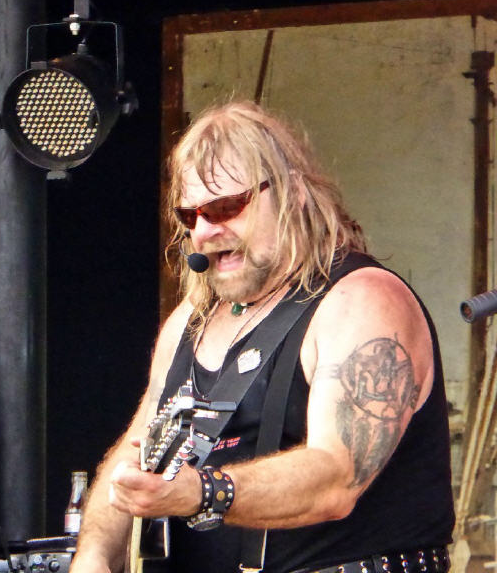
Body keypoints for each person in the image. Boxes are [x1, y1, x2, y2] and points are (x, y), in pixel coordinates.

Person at [70, 100, 454, 573]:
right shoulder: (188, 322)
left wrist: (202, 492)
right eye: (190, 216)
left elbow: (336, 478)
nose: (205, 232)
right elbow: (133, 455)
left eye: (225, 207)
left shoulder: (362, 301)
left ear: (293, 193)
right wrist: (93, 555)